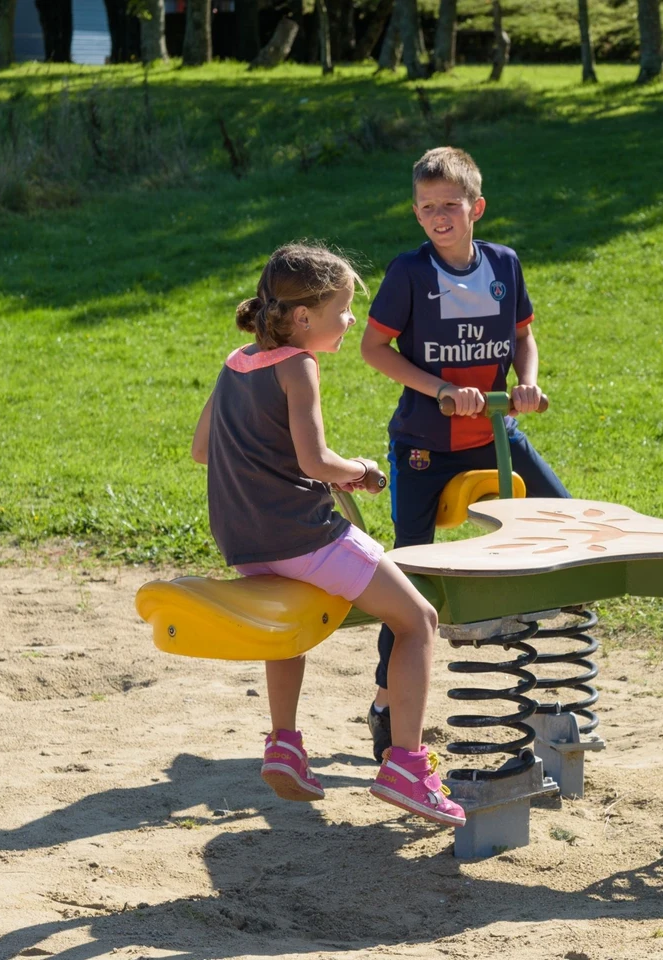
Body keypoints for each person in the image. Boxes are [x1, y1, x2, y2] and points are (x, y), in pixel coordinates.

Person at [191, 243, 465, 826]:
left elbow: (200, 450)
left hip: (243, 535)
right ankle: (407, 768)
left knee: (283, 635)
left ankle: (284, 744)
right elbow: (315, 462)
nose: (351, 322)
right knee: (417, 620)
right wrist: (361, 472)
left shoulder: (236, 363)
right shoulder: (299, 366)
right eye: (343, 309)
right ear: (303, 317)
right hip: (301, 534)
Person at [359, 146, 571, 762]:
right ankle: (384, 699)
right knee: (409, 576)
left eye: (450, 205)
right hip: (425, 445)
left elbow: (524, 337)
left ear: (476, 207)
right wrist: (442, 389)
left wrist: (525, 383)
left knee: (565, 517)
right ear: (417, 214)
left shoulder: (504, 263)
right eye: (427, 207)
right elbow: (375, 348)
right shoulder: (410, 272)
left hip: (498, 435)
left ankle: (541, 655)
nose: (438, 216)